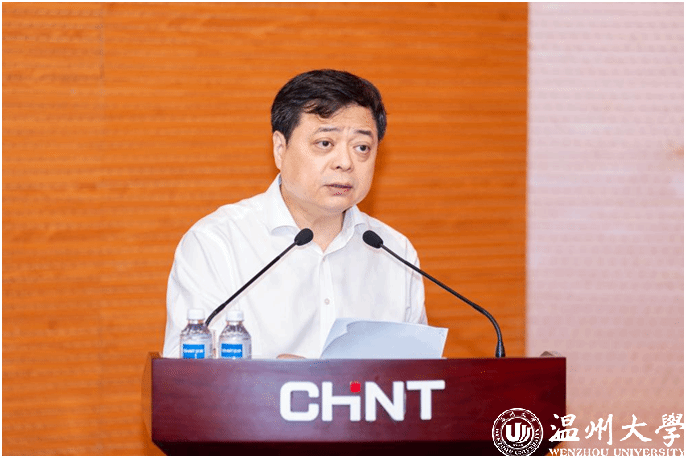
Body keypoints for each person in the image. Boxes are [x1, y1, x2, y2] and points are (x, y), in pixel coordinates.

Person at [163, 69, 427, 359]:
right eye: (325, 143)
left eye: (362, 147)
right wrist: (280, 378)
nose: (345, 162)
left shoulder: (396, 253)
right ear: (280, 149)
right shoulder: (216, 243)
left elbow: (419, 375)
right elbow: (181, 374)